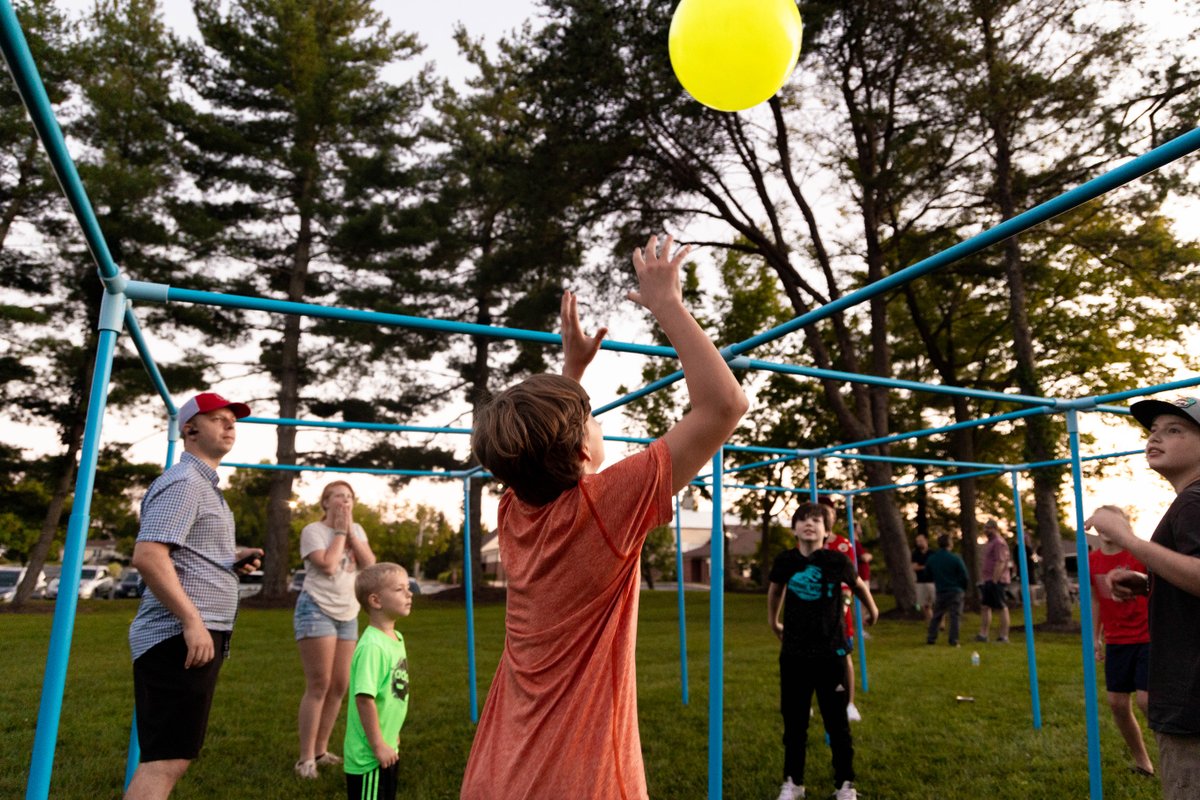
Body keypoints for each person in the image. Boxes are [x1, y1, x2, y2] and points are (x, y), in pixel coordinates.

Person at [459, 234, 748, 799]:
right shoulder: (605, 507)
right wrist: (667, 304)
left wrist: (572, 370)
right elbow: (724, 406)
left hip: (502, 763)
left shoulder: (514, 506)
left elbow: (545, 452)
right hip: (576, 773)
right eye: (591, 419)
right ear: (580, 454)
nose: (598, 423)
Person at [124, 392, 260, 800]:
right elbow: (148, 556)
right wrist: (191, 620)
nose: (229, 425)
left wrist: (228, 561)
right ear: (190, 429)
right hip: (177, 636)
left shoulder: (202, 485)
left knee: (173, 756)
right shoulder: (184, 482)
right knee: (164, 760)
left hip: (192, 634)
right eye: (218, 418)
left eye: (231, 420)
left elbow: (180, 554)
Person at [1085, 395, 1200, 799]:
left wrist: (1126, 538)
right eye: (1153, 431)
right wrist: (1148, 582)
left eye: (1175, 429)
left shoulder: (1194, 501)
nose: (1155, 438)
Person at [768, 501, 880, 800]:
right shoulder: (786, 561)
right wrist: (773, 621)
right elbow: (776, 591)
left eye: (816, 520)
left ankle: (845, 784)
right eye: (803, 519)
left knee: (837, 723)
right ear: (794, 529)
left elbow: (858, 586)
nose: (809, 524)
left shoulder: (836, 561)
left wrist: (872, 608)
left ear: (826, 531)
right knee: (794, 723)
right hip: (794, 654)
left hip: (832, 653)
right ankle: (793, 782)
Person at [294, 480, 377, 779]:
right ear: (325, 503)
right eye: (338, 496)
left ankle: (321, 750)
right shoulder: (313, 532)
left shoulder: (358, 531)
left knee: (341, 685)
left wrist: (351, 532)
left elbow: (369, 566)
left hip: (348, 613)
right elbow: (328, 566)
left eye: (349, 497)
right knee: (320, 683)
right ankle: (305, 759)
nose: (344, 501)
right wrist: (340, 532)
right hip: (316, 609)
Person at [1086, 505, 1153, 777]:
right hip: (1117, 640)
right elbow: (1094, 600)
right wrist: (1095, 637)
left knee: (1146, 701)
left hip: (1147, 636)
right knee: (1116, 702)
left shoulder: (1138, 555)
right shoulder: (1092, 561)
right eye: (1101, 521)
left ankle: (1177, 749)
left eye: (1113, 522)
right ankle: (1143, 762)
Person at [343, 563, 412, 800]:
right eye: (399, 589)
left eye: (408, 587)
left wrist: (390, 736)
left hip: (387, 746)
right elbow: (364, 699)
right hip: (369, 757)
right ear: (376, 600)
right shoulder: (372, 646)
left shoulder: (394, 638)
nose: (409, 593)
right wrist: (378, 744)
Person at [821, 500, 863, 722]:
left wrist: (842, 606)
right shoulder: (805, 545)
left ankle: (849, 703)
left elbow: (851, 582)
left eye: (827, 513)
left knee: (844, 657)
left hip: (837, 611)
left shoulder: (843, 545)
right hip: (811, 613)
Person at [925, 534, 969, 646]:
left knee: (937, 615)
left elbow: (927, 573)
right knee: (955, 616)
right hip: (955, 590)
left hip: (941, 589)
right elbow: (964, 575)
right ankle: (954, 640)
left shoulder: (933, 559)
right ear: (950, 544)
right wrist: (962, 587)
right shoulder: (955, 558)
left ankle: (931, 637)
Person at [976, 519, 1011, 643]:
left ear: (995, 528)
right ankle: (983, 634)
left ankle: (1004, 636)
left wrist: (995, 580)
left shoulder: (999, 542)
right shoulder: (989, 543)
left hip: (997, 580)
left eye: (988, 528)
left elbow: (1000, 562)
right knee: (985, 607)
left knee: (1001, 606)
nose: (986, 530)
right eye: (985, 528)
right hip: (988, 580)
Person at [911, 532, 936, 624]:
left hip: (932, 582)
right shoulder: (915, 554)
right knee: (924, 605)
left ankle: (939, 622)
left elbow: (934, 567)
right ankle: (930, 622)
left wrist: (921, 566)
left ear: (926, 541)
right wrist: (926, 566)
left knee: (935, 603)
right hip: (920, 582)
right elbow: (914, 567)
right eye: (917, 541)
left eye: (921, 541)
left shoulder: (932, 553)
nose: (919, 543)